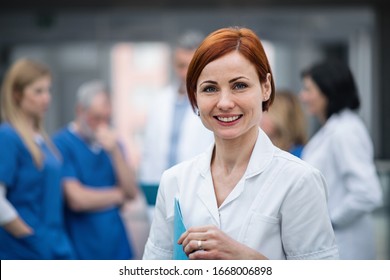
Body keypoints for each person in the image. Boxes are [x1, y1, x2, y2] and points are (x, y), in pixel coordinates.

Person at [142, 27, 339, 260]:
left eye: (239, 86)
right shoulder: (174, 181)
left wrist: (247, 260)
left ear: (266, 87)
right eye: (210, 88)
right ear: (194, 96)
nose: (224, 103)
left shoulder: (299, 181)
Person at [299, 59, 383, 259]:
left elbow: (368, 193)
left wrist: (327, 222)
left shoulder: (346, 131)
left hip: (346, 247)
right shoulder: (335, 128)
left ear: (328, 90)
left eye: (309, 90)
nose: (303, 96)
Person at [52, 80, 138, 259]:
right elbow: (77, 199)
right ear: (79, 111)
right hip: (82, 247)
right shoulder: (62, 143)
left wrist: (115, 152)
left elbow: (131, 192)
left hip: (117, 247)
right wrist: (118, 195)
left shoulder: (114, 144)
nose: (102, 125)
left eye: (107, 119)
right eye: (96, 118)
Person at [0, 58, 75, 259]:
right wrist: (29, 236)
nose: (46, 98)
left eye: (48, 90)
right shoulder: (8, 136)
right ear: (17, 94)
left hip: (55, 245)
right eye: (38, 91)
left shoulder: (43, 141)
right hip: (24, 250)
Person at [139, 29, 214, 186]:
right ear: (174, 65)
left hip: (197, 186)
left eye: (192, 66)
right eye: (181, 65)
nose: (186, 73)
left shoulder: (212, 102)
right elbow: (149, 151)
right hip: (158, 186)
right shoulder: (160, 101)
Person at [260, 89, 308, 158]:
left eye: (266, 111)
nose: (260, 117)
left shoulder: (303, 157)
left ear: (282, 118)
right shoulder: (266, 153)